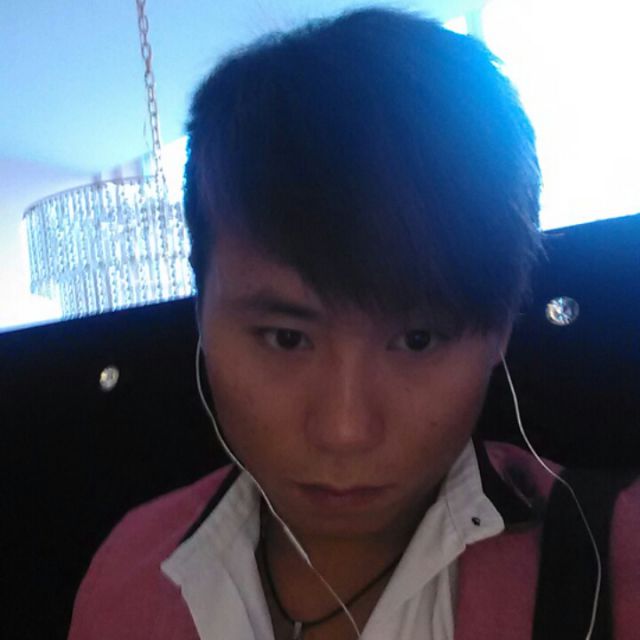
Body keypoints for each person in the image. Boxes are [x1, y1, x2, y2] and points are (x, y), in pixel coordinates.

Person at [68, 7, 639, 640]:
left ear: (501, 324)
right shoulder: (129, 574)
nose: (344, 431)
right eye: (287, 338)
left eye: (417, 339)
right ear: (201, 310)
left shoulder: (615, 560)